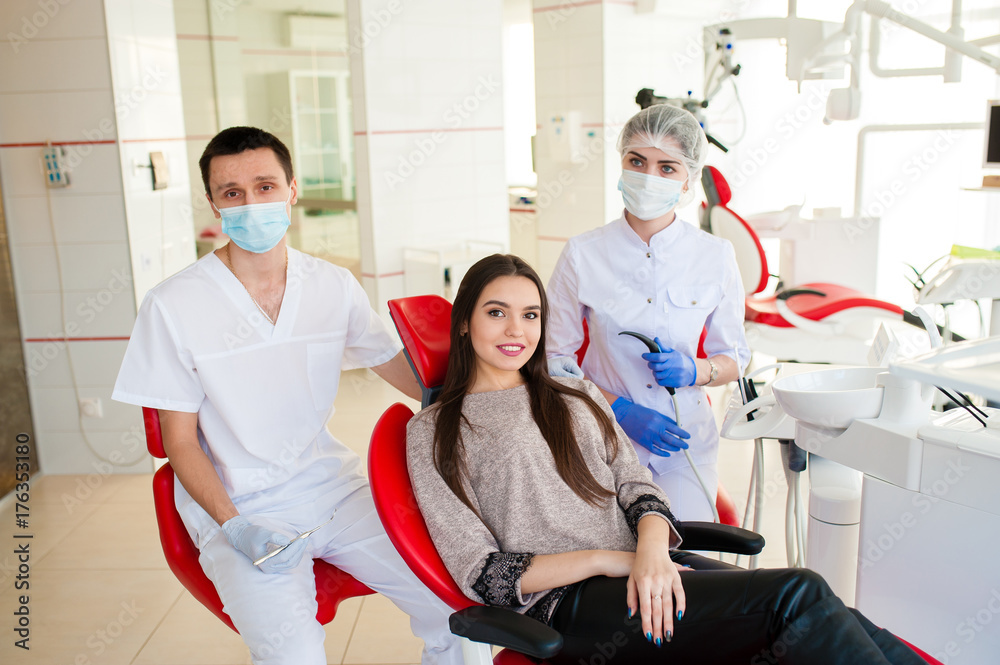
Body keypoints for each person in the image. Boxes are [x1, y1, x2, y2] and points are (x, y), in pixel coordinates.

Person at [406, 253, 925, 664]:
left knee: (835, 614)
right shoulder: (434, 432)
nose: (516, 330)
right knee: (798, 594)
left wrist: (653, 549)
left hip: (648, 569)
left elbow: (634, 483)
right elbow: (481, 573)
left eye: (530, 315)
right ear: (464, 325)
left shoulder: (575, 392)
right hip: (570, 608)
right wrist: (610, 560)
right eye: (496, 313)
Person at [112, 127, 461, 665]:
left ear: (292, 190)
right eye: (232, 193)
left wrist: (484, 392)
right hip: (241, 504)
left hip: (334, 489)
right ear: (213, 204)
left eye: (265, 186)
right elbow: (178, 442)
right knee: (290, 656)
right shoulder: (174, 305)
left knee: (459, 613)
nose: (251, 203)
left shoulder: (331, 286)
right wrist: (234, 526)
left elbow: (398, 365)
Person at [545, 104, 750, 521]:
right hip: (602, 432)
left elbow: (737, 358)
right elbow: (553, 361)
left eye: (667, 167)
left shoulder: (715, 256)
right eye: (637, 161)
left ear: (688, 180)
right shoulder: (583, 254)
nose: (648, 176)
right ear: (621, 164)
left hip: (684, 438)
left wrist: (697, 371)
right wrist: (617, 410)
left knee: (684, 557)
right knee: (614, 562)